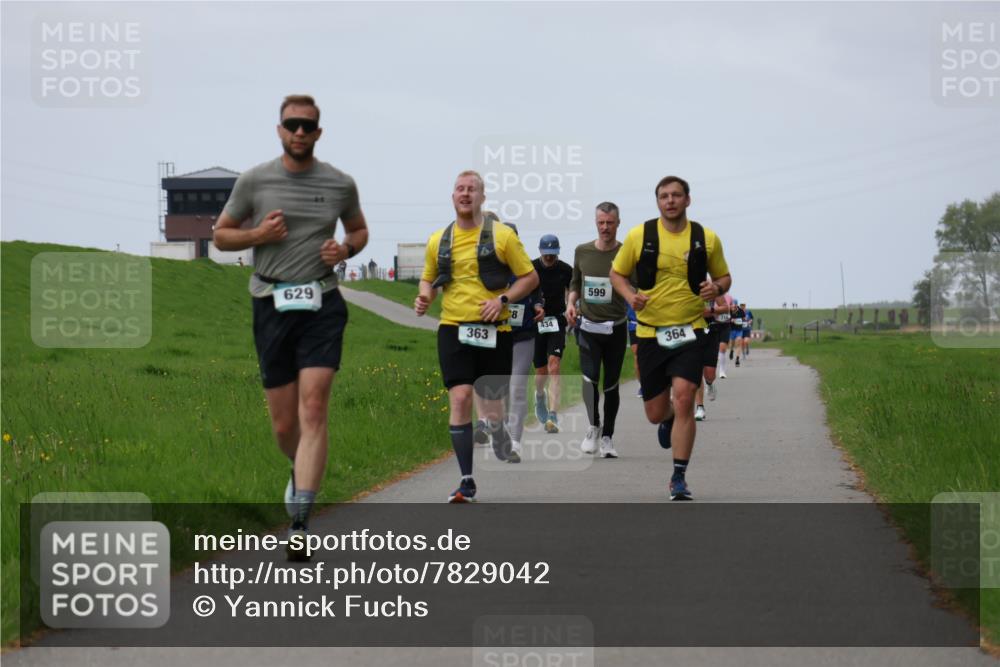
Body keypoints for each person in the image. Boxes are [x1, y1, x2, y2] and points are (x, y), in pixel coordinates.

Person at [213, 94, 368, 560]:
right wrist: (258, 236)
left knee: (314, 407)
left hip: (321, 301)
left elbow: (359, 231)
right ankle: (297, 467)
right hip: (271, 303)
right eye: (291, 125)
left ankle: (300, 521)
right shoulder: (254, 181)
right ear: (279, 130)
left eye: (308, 125)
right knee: (285, 425)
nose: (299, 132)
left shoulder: (340, 183)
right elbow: (221, 235)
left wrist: (345, 250)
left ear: (319, 132)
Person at [414, 171, 538, 502]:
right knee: (460, 397)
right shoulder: (438, 239)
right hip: (454, 328)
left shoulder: (503, 237)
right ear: (452, 196)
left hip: (496, 330)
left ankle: (497, 431)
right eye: (460, 189)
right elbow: (428, 279)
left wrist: (503, 300)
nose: (465, 194)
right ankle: (467, 480)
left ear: (483, 197)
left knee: (493, 411)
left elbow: (529, 277)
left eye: (472, 189)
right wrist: (425, 296)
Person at [609, 175, 731, 501]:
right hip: (650, 331)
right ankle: (669, 421)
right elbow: (616, 274)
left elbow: (724, 276)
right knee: (655, 413)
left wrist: (716, 288)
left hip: (691, 329)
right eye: (664, 196)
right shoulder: (640, 235)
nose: (671, 201)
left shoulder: (706, 239)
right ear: (658, 201)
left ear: (688, 200)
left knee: (685, 396)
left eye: (677, 195)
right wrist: (629, 295)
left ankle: (679, 476)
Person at [566, 202, 629, 459]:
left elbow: (635, 287)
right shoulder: (582, 251)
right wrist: (571, 303)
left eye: (610, 223)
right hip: (588, 326)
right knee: (589, 378)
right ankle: (593, 426)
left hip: (615, 328)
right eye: (601, 222)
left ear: (617, 223)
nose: (605, 227)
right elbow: (575, 283)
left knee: (611, 384)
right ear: (596, 223)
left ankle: (608, 437)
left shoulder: (627, 253)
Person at [532, 235, 573, 433]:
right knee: (541, 372)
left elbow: (574, 292)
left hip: (556, 321)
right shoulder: (530, 268)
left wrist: (574, 307)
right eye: (546, 254)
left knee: (554, 365)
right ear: (540, 251)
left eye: (552, 254)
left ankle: (553, 415)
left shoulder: (565, 270)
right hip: (536, 322)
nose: (549, 258)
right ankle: (539, 396)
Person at [694, 295, 728, 421]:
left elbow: (726, 307)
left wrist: (712, 311)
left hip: (711, 331)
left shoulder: (711, 287)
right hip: (692, 331)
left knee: (709, 374)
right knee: (696, 370)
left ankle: (710, 383)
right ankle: (700, 407)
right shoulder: (683, 285)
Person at [715, 293, 734, 378]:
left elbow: (733, 309)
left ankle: (722, 370)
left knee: (722, 348)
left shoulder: (729, 297)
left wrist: (733, 310)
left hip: (726, 325)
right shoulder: (712, 296)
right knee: (714, 349)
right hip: (714, 324)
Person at [627, 303, 641, 397]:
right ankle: (642, 385)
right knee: (637, 356)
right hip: (634, 325)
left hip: (651, 325)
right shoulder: (626, 288)